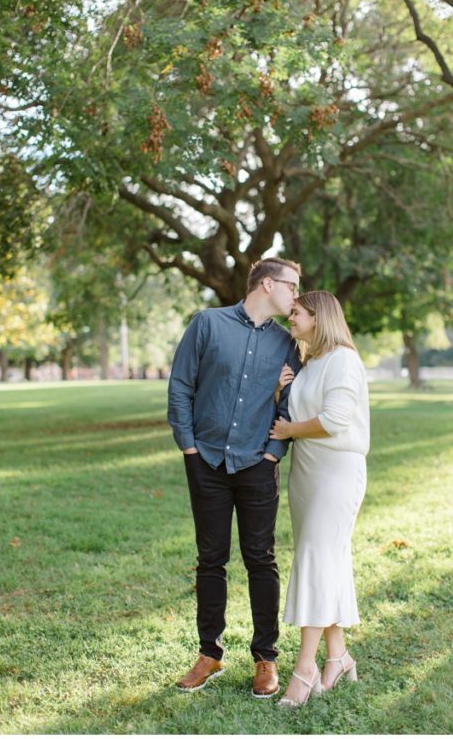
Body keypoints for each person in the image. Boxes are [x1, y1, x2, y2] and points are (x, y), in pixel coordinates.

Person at [168, 257, 303, 698]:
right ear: (267, 284)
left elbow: (290, 405)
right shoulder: (207, 324)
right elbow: (181, 385)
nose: (296, 296)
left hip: (257, 464)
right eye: (292, 286)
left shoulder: (288, 343)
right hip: (205, 459)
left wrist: (272, 452)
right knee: (211, 559)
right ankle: (210, 654)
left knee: (260, 559)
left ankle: (265, 658)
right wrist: (188, 445)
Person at [269, 291, 369, 707]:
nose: (289, 318)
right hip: (306, 474)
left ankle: (305, 666)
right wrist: (279, 393)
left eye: (296, 312)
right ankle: (339, 656)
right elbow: (289, 417)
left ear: (319, 316)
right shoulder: (308, 362)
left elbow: (334, 420)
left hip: (336, 473)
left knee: (313, 556)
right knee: (329, 561)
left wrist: (290, 431)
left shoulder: (344, 359)